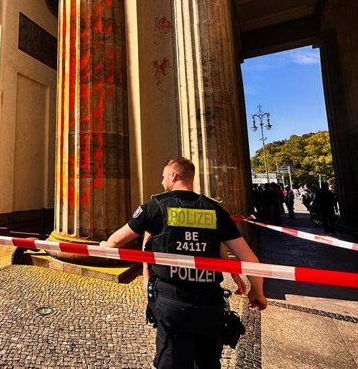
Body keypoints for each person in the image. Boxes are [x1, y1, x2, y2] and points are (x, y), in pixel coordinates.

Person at [101, 157, 267, 369]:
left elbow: (116, 241)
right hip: (209, 303)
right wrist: (257, 290)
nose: (162, 182)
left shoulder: (154, 207)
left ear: (174, 176)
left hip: (172, 302)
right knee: (207, 361)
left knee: (171, 360)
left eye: (164, 177)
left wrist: (105, 245)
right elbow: (250, 259)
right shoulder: (215, 210)